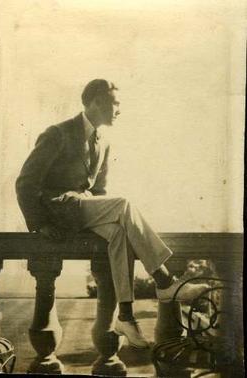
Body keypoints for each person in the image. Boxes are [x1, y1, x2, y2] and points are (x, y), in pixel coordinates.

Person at [16, 79, 208, 349]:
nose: (119, 110)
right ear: (95, 101)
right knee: (123, 204)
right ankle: (165, 280)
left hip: (82, 212)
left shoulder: (103, 143)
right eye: (115, 103)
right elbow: (26, 182)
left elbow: (100, 191)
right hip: (59, 211)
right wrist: (39, 224)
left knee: (119, 233)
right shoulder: (57, 134)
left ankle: (126, 316)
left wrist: (98, 212)